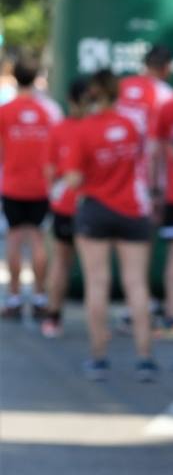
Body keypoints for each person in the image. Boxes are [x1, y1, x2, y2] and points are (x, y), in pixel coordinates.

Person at [54, 69, 157, 381]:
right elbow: (142, 163)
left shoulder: (83, 130)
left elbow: (72, 179)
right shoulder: (131, 125)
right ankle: (144, 358)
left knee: (96, 283)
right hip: (132, 209)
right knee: (136, 284)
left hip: (95, 211)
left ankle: (98, 357)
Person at [119, 45, 173, 335]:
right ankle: (149, 309)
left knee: (132, 250)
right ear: (166, 67)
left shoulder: (121, 88)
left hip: (118, 180)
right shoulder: (166, 96)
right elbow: (160, 148)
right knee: (151, 247)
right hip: (151, 183)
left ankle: (139, 307)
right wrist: (158, 188)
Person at [0, 53, 62, 319]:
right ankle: (39, 297)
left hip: (12, 184)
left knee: (14, 239)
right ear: (37, 77)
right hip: (41, 186)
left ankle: (14, 298)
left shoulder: (5, 111)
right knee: (38, 240)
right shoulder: (50, 111)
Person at [40, 76, 89, 339]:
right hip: (92, 206)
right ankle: (96, 325)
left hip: (67, 206)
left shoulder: (59, 129)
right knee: (95, 269)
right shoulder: (97, 128)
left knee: (60, 261)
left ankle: (53, 316)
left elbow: (49, 171)